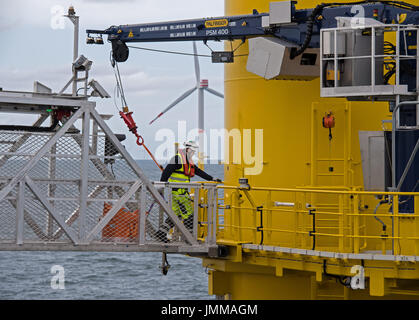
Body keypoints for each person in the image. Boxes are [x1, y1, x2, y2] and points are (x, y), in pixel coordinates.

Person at [156, 141, 221, 242]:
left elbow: (198, 171)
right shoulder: (177, 159)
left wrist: (212, 178)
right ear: (187, 149)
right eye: (192, 151)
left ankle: (160, 234)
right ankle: (189, 239)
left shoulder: (186, 161)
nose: (193, 153)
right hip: (180, 194)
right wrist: (161, 185)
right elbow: (166, 172)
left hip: (177, 194)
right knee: (190, 216)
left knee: (175, 215)